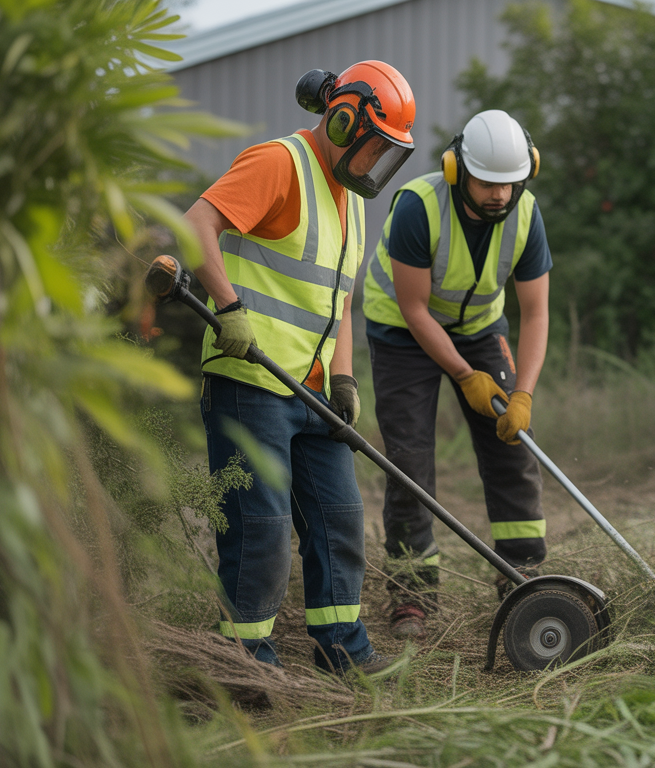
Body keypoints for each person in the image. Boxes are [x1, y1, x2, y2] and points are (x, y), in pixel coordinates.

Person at [182, 61, 416, 672]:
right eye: (374, 150)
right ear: (342, 122)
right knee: (259, 526)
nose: (375, 166)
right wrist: (228, 307)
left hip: (310, 391)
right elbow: (194, 226)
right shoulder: (278, 163)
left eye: (388, 156)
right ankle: (245, 658)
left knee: (340, 520)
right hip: (250, 379)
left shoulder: (351, 203)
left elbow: (336, 302)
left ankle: (340, 647)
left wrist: (343, 378)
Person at [362, 109, 551, 638]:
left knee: (513, 445)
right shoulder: (418, 208)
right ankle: (411, 593)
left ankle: (522, 573)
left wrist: (524, 395)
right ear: (455, 170)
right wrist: (467, 376)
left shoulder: (526, 214)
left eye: (509, 184)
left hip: (479, 328)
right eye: (487, 182)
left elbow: (536, 313)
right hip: (401, 330)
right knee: (409, 461)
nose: (498, 194)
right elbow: (416, 309)